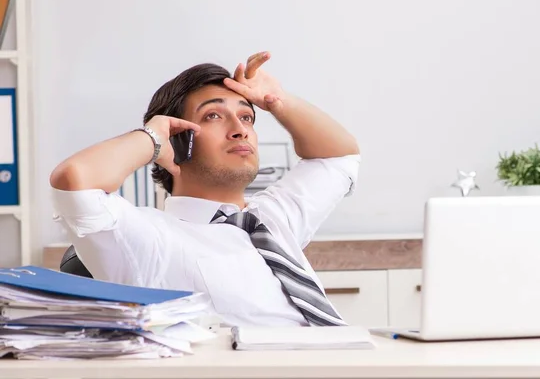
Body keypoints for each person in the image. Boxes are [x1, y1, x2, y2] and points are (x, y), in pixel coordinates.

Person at [50, 51, 361, 327]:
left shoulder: (275, 218)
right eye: (213, 115)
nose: (240, 130)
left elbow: (339, 156)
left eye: (246, 117)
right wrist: (152, 138)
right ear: (176, 138)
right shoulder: (147, 237)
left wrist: (277, 101)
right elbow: (74, 180)